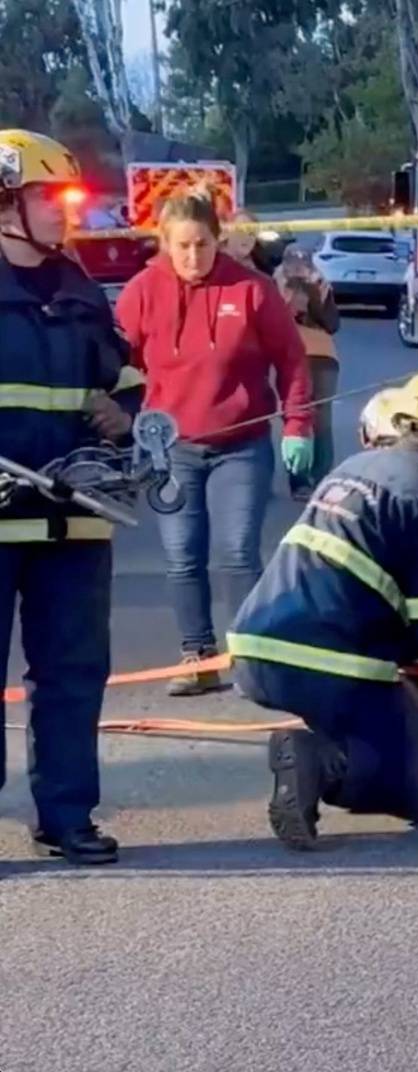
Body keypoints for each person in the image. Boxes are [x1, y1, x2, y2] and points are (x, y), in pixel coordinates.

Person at [226, 367, 418, 850]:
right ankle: (322, 763)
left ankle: (329, 748)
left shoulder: (357, 467)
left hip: (256, 645)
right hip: (325, 660)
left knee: (392, 737)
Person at [0, 129, 143, 865]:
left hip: (77, 520)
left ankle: (66, 816)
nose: (65, 212)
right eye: (48, 198)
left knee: (73, 673)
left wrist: (127, 414)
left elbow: (126, 376)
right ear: (3, 204)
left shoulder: (82, 289)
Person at [115, 193, 314, 697]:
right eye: (181, 246)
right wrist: (122, 425)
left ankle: (254, 656)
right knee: (182, 554)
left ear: (217, 240)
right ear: (163, 243)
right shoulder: (141, 292)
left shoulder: (251, 288)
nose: (192, 256)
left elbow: (291, 360)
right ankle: (198, 655)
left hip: (240, 442)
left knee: (237, 552)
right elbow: (117, 365)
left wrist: (297, 426)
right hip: (171, 448)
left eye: (202, 245)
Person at [275, 247, 342, 500]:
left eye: (303, 264)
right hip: (288, 356)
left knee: (322, 419)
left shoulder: (320, 285)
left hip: (323, 356)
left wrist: (315, 294)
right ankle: (300, 481)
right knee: (295, 416)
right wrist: (286, 296)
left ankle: (322, 477)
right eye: (293, 264)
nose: (298, 269)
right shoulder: (274, 284)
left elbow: (332, 324)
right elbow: (271, 320)